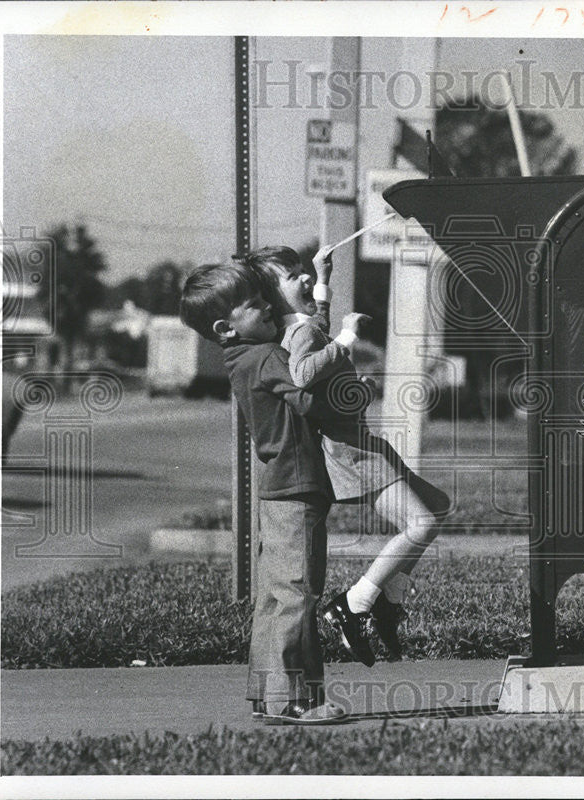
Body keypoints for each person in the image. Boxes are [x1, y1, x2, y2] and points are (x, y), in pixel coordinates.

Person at [238, 245, 450, 667]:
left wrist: (323, 279)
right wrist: (348, 337)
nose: (302, 279)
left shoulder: (301, 325)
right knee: (421, 522)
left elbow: (315, 324)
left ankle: (389, 600)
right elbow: (302, 372)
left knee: (438, 506)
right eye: (292, 275)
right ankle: (355, 604)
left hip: (360, 443)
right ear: (273, 295)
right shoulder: (297, 335)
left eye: (302, 272)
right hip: (350, 452)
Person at [179, 262, 360, 726]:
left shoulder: (239, 359)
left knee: (275, 595)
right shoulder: (268, 358)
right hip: (297, 484)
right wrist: (356, 390)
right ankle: (294, 700)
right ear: (225, 327)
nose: (265, 306)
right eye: (254, 303)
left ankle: (269, 693)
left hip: (275, 486)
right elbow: (306, 396)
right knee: (298, 591)